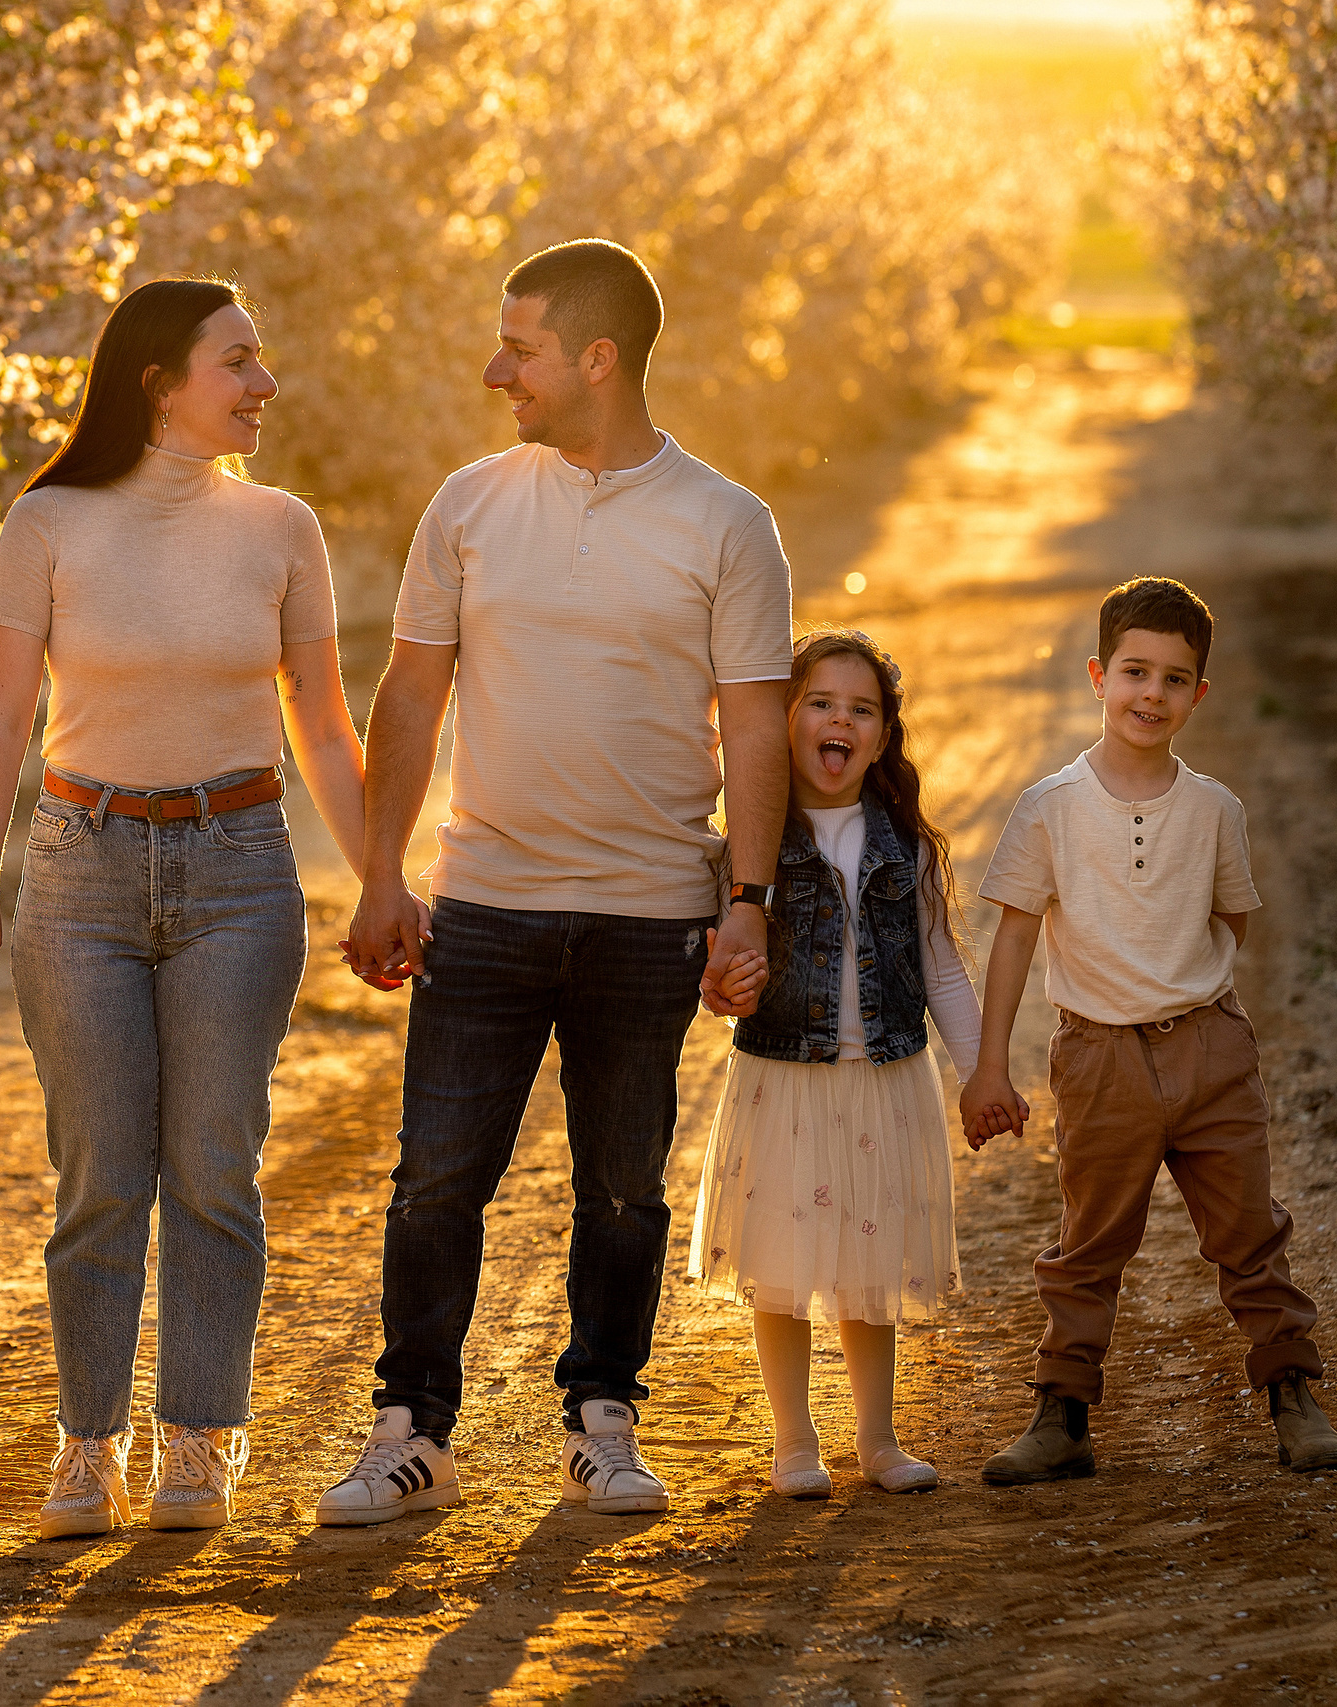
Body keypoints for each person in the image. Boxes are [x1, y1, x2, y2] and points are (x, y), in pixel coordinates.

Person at [324, 238, 793, 1526]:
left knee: (624, 1186)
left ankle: (601, 1417)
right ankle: (412, 1432)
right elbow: (410, 693)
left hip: (650, 915)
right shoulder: (468, 505)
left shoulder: (726, 521)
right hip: (483, 905)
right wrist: (381, 871)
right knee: (433, 1181)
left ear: (597, 359)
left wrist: (745, 900)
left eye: (518, 347)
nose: (494, 370)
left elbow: (754, 726)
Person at [0, 277, 370, 1540]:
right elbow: (1, 724)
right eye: (238, 361)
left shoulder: (284, 527)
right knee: (101, 1174)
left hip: (238, 862)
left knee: (214, 1165)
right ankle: (86, 1448)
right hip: (80, 870)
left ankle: (200, 1438)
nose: (264, 384)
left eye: (261, 360)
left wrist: (379, 878)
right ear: (158, 381)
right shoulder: (49, 522)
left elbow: (324, 732)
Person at [962, 577, 1337, 1481]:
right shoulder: (1049, 807)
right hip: (1099, 1056)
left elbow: (1233, 919)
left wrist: (1191, 995)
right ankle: (1061, 1415)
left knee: (1250, 1229)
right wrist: (991, 1065)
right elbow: (1015, 937)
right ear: (1099, 675)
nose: (1152, 693)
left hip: (1210, 1045)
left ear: (1198, 695)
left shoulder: (1216, 808)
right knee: (1088, 1240)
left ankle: (1293, 1392)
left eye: (1174, 679)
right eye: (1134, 671)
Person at [687, 630, 984, 1500]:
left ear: (884, 737)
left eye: (861, 709)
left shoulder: (906, 845)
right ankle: (794, 1440)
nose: (839, 721)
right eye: (820, 702)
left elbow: (943, 968)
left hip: (884, 1083)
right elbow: (717, 964)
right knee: (780, 1266)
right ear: (782, 721)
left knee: (869, 1266)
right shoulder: (750, 848)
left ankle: (879, 1437)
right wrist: (720, 986)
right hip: (784, 1078)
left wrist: (982, 1073)